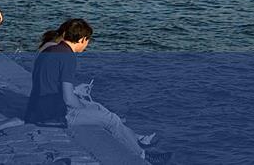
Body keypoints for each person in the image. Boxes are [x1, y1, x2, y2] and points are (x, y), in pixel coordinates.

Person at [24, 19, 169, 164]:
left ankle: (136, 140)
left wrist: (82, 101)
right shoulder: (68, 57)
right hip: (53, 115)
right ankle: (142, 156)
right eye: (88, 40)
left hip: (37, 107)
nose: (87, 44)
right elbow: (68, 99)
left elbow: (49, 84)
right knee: (110, 119)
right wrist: (81, 107)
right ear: (82, 39)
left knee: (97, 107)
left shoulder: (50, 49)